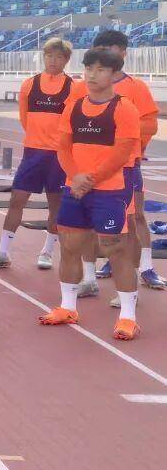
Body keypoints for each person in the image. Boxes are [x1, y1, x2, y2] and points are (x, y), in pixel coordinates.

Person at [38, 48, 141, 341]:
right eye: (89, 69)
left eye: (100, 70)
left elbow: (122, 153)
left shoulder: (124, 108)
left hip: (109, 190)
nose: (92, 75)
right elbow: (63, 147)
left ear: (114, 74)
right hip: (75, 188)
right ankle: (68, 307)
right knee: (70, 246)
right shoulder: (74, 107)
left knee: (116, 249)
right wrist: (76, 177)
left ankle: (128, 317)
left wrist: (90, 179)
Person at [82, 30, 165, 298]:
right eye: (102, 48)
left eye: (112, 48)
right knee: (95, 221)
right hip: (93, 165)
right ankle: (99, 271)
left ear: (123, 53)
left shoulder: (135, 87)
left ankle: (146, 267)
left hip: (127, 164)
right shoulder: (86, 87)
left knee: (134, 217)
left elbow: (150, 124)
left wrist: (128, 138)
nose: (107, 53)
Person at [0, 38, 75, 272]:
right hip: (33, 152)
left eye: (59, 57)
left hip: (59, 156)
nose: (53, 61)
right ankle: (3, 252)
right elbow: (25, 119)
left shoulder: (74, 87)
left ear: (66, 60)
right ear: (44, 57)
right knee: (17, 200)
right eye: (49, 56)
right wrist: (38, 138)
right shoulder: (29, 85)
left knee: (56, 204)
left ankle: (47, 252)